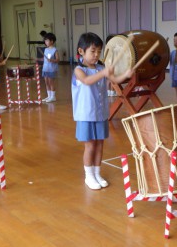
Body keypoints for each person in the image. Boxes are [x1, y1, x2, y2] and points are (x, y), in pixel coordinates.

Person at [72, 32, 134, 190]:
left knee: (100, 144)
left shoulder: (101, 67)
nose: (96, 55)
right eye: (92, 51)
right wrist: (104, 72)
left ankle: (97, 173)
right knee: (90, 146)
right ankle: (89, 176)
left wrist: (125, 75)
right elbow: (87, 81)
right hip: (86, 114)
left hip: (100, 113)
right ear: (81, 51)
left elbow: (113, 80)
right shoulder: (79, 70)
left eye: (98, 51)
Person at [42, 33, 59, 103]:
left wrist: (52, 60)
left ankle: (53, 97)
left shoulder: (55, 50)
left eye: (47, 41)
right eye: (45, 41)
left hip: (51, 69)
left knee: (51, 82)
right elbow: (44, 59)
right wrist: (37, 59)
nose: (45, 42)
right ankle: (49, 96)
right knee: (46, 82)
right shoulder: (45, 49)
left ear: (52, 41)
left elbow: (58, 60)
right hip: (45, 68)